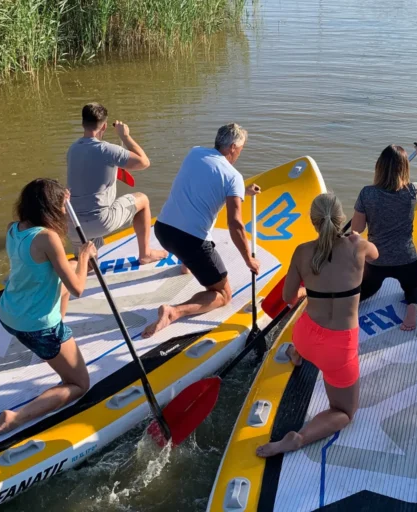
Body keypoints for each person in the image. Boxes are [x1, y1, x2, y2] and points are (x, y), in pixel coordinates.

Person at [0, 179, 97, 442]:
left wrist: (61, 198)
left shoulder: (13, 229)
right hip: (36, 326)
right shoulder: (48, 238)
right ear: (51, 207)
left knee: (62, 280)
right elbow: (77, 288)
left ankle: (53, 347)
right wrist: (85, 255)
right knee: (79, 384)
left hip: (8, 313)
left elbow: (55, 276)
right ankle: (14, 418)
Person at [256, 193, 378, 458]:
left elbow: (289, 298)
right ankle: (299, 437)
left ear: (313, 222)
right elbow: (375, 254)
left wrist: (307, 290)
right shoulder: (358, 246)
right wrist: (356, 236)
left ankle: (296, 354)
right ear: (341, 218)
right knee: (345, 412)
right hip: (338, 349)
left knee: (306, 325)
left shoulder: (302, 252)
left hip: (306, 338)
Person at [142, 123, 261, 338]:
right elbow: (235, 224)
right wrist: (248, 260)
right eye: (241, 148)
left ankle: (186, 265)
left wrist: (242, 191)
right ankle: (173, 312)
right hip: (188, 241)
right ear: (233, 147)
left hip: (163, 230)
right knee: (223, 295)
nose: (240, 153)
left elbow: (208, 181)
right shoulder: (233, 176)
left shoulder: (195, 152)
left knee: (190, 236)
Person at [351, 142, 417, 331]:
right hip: (406, 258)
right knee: (415, 289)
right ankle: (412, 309)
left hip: (376, 260)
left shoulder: (367, 193)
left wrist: (364, 210)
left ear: (379, 167)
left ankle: (347, 311)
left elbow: (356, 228)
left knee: (362, 291)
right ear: (405, 168)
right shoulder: (413, 191)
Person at [66, 102, 166, 263]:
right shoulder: (107, 150)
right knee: (143, 199)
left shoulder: (72, 149)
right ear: (104, 126)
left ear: (82, 123)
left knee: (85, 263)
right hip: (100, 221)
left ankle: (58, 275)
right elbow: (144, 162)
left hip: (73, 225)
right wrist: (125, 136)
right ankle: (145, 254)